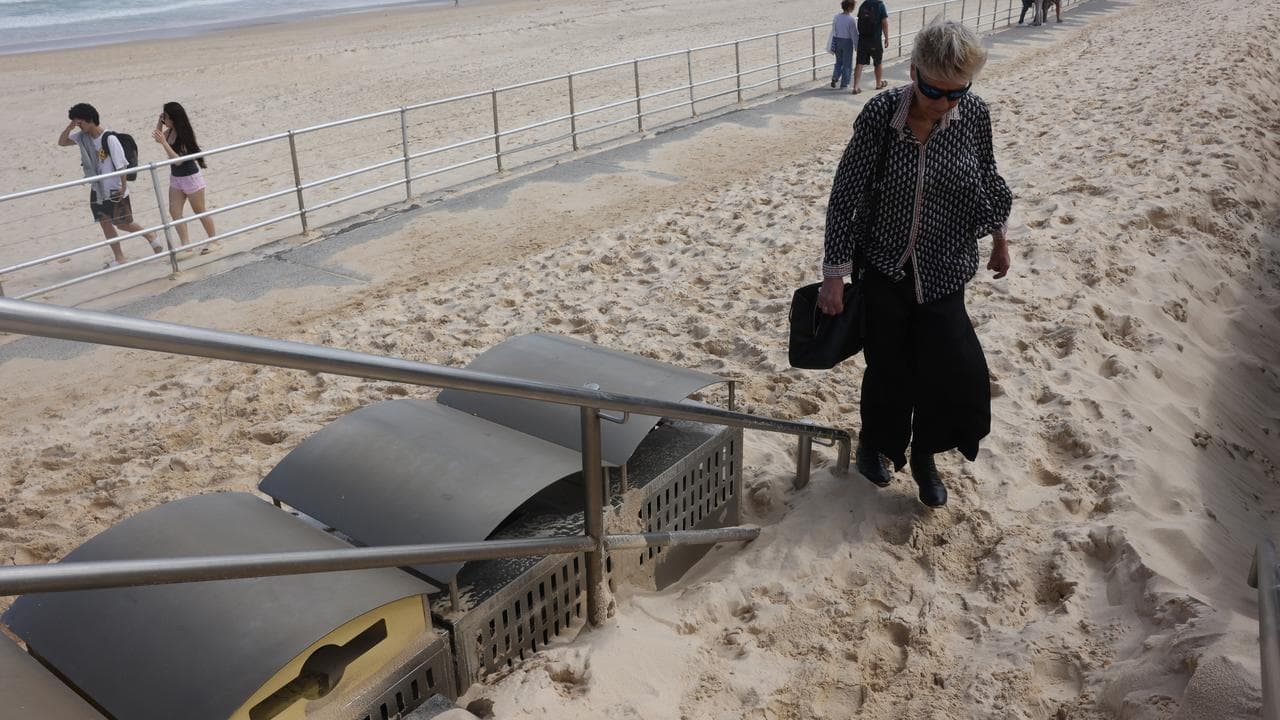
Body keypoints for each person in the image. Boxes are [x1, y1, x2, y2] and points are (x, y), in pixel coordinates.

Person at [817, 19, 1012, 507]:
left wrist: (999, 236)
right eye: (933, 89)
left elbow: (987, 175)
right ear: (915, 71)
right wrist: (834, 274)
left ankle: (925, 456)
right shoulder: (881, 114)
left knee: (950, 370)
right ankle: (876, 446)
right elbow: (846, 195)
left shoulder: (973, 115)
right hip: (885, 267)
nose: (944, 102)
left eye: (956, 92)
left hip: (946, 267)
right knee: (887, 368)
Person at [57, 103, 161, 267]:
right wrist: (70, 127)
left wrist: (123, 186)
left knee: (123, 223)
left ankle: (150, 236)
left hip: (114, 188)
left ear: (90, 120)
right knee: (105, 223)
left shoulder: (109, 138)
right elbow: (62, 142)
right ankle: (119, 257)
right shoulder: (82, 137)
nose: (79, 126)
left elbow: (121, 165)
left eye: (80, 123)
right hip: (96, 188)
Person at [152, 102, 217, 254]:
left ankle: (214, 240)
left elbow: (178, 160)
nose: (165, 119)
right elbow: (157, 137)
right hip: (176, 178)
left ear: (173, 118)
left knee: (199, 210)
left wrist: (164, 143)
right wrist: (159, 122)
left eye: (166, 117)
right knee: (175, 212)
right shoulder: (169, 132)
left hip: (191, 178)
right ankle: (186, 245)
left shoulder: (184, 135)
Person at [852, 0, 891, 94]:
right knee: (877, 62)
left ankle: (856, 86)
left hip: (863, 38)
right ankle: (878, 84)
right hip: (875, 39)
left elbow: (859, 22)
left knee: (859, 63)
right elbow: (884, 22)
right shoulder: (880, 5)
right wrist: (886, 37)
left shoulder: (863, 5)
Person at [829, 1, 858, 90]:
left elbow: (834, 29)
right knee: (847, 63)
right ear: (850, 7)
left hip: (838, 40)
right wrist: (856, 45)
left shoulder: (837, 17)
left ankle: (835, 77)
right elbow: (854, 34)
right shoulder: (851, 19)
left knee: (838, 62)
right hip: (847, 42)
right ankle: (844, 84)